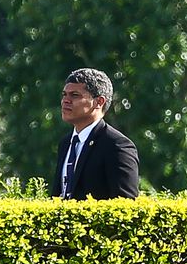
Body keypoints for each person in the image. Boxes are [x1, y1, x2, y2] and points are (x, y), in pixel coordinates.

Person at [51, 68, 139, 200]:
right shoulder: (65, 143)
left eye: (75, 95)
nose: (66, 100)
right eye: (64, 95)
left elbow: (126, 205)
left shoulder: (116, 145)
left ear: (99, 102)